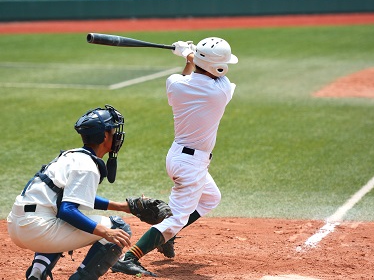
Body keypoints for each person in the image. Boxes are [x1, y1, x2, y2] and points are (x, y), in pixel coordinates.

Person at [111, 37, 238, 276]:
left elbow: (190, 75)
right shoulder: (221, 90)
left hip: (178, 157)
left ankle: (165, 235)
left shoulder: (175, 83)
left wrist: (189, 56)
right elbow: (208, 73)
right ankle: (129, 257)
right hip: (191, 165)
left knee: (211, 197)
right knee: (176, 218)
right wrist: (189, 55)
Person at [7, 105, 134, 280]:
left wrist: (121, 206)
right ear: (105, 136)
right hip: (38, 230)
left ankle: (37, 272)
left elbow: (71, 197)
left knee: (58, 217)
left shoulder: (72, 156)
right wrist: (106, 232)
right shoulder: (88, 166)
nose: (117, 135)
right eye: (113, 131)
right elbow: (68, 210)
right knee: (118, 227)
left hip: (17, 225)